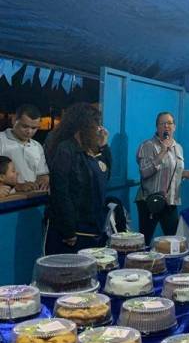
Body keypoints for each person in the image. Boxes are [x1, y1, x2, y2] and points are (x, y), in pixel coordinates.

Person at [44, 103, 111, 254]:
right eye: (95, 124)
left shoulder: (89, 150)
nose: (99, 128)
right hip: (73, 228)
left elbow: (105, 175)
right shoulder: (65, 149)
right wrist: (68, 230)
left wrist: (103, 146)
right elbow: (60, 192)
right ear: (82, 126)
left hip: (92, 225)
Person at [136, 112, 189, 244]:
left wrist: (184, 174)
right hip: (149, 201)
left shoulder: (178, 147)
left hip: (170, 200)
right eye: (162, 123)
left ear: (174, 126)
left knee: (174, 241)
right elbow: (144, 172)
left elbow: (171, 171)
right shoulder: (148, 145)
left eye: (169, 123)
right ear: (157, 127)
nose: (166, 126)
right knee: (144, 241)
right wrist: (163, 151)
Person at [0, 104, 49, 192]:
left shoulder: (37, 146)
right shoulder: (1, 140)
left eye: (34, 128)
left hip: (34, 197)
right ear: (14, 120)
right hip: (8, 198)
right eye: (25, 126)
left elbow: (42, 173)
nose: (29, 131)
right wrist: (17, 187)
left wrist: (44, 178)